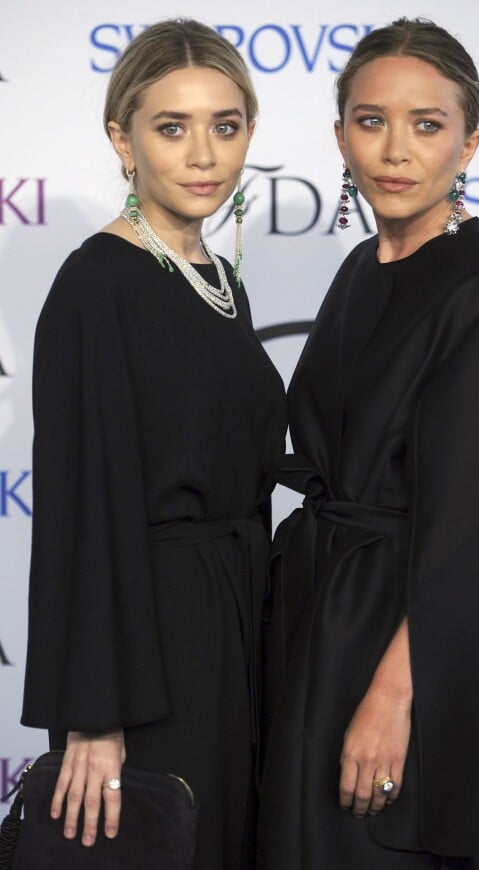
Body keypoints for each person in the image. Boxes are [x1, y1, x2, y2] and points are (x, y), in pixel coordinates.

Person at [258, 18, 479, 870]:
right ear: (340, 132)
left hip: (404, 646)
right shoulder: (363, 266)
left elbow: (476, 535)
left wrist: (392, 700)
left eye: (428, 124)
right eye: (371, 119)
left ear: (470, 143)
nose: (396, 149)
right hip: (321, 623)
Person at [20, 18, 286, 870]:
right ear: (122, 140)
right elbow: (81, 513)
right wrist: (93, 714)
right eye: (172, 127)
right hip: (153, 654)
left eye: (225, 124)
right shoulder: (98, 283)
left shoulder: (216, 279)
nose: (203, 153)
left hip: (235, 631)